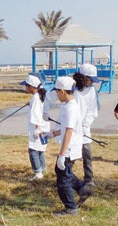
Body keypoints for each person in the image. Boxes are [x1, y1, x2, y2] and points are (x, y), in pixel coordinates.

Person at [45, 76, 84, 216]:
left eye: (56, 91)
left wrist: (61, 155)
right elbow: (64, 127)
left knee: (63, 181)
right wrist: (52, 134)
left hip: (69, 149)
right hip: (68, 147)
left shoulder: (71, 108)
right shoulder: (67, 105)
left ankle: (71, 208)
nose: (55, 94)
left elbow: (68, 131)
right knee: (61, 172)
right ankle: (82, 188)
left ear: (62, 91)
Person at [72, 64, 100, 204]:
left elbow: (92, 110)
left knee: (87, 155)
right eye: (90, 79)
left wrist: (85, 124)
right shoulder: (72, 88)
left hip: (84, 129)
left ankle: (89, 180)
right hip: (71, 128)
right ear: (83, 78)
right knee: (69, 156)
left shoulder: (92, 91)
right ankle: (67, 179)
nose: (92, 82)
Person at [20, 75, 50, 181]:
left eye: (26, 86)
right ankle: (43, 169)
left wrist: (37, 129)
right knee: (40, 149)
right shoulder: (39, 96)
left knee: (33, 150)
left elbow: (37, 114)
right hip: (44, 127)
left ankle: (38, 173)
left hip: (39, 127)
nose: (25, 88)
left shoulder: (36, 98)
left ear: (32, 87)